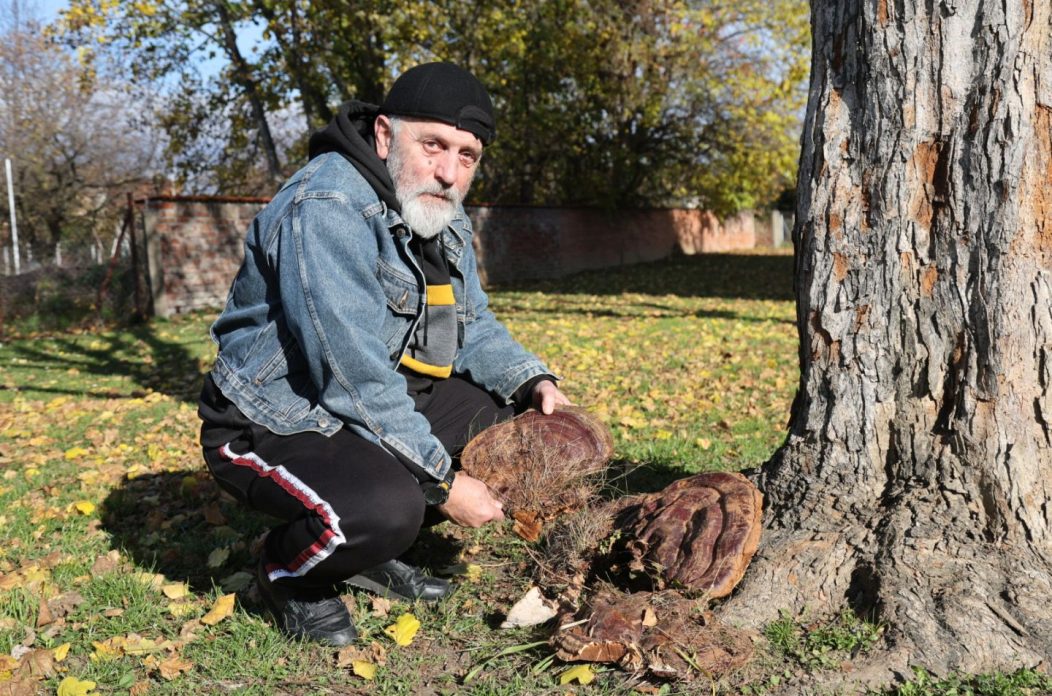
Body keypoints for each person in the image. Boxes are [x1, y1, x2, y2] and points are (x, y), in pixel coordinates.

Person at [197, 62, 570, 646]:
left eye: (466, 155)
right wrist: (443, 484)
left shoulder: (433, 209)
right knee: (391, 506)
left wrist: (532, 381)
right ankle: (288, 575)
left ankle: (367, 555)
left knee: (502, 423)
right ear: (383, 136)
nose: (448, 172)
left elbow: (473, 324)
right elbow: (353, 378)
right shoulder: (327, 206)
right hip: (271, 419)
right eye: (433, 145)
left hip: (354, 398)